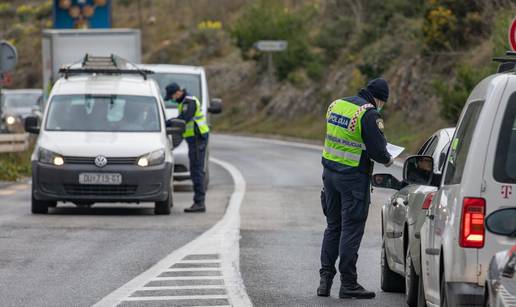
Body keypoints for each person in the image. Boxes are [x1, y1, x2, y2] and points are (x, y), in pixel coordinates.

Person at [318, 78, 393, 299]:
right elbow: (378, 150)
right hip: (352, 179)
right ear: (379, 99)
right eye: (383, 102)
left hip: (329, 175)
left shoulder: (337, 104)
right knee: (351, 230)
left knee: (333, 227)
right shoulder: (368, 114)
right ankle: (348, 284)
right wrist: (389, 160)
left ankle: (325, 281)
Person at [164, 83, 210, 213]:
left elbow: (184, 119)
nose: (172, 99)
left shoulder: (189, 102)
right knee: (196, 170)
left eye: (172, 96)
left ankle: (199, 203)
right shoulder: (184, 101)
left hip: (197, 138)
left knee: (196, 171)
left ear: (177, 92)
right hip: (194, 139)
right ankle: (199, 202)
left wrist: (168, 122)